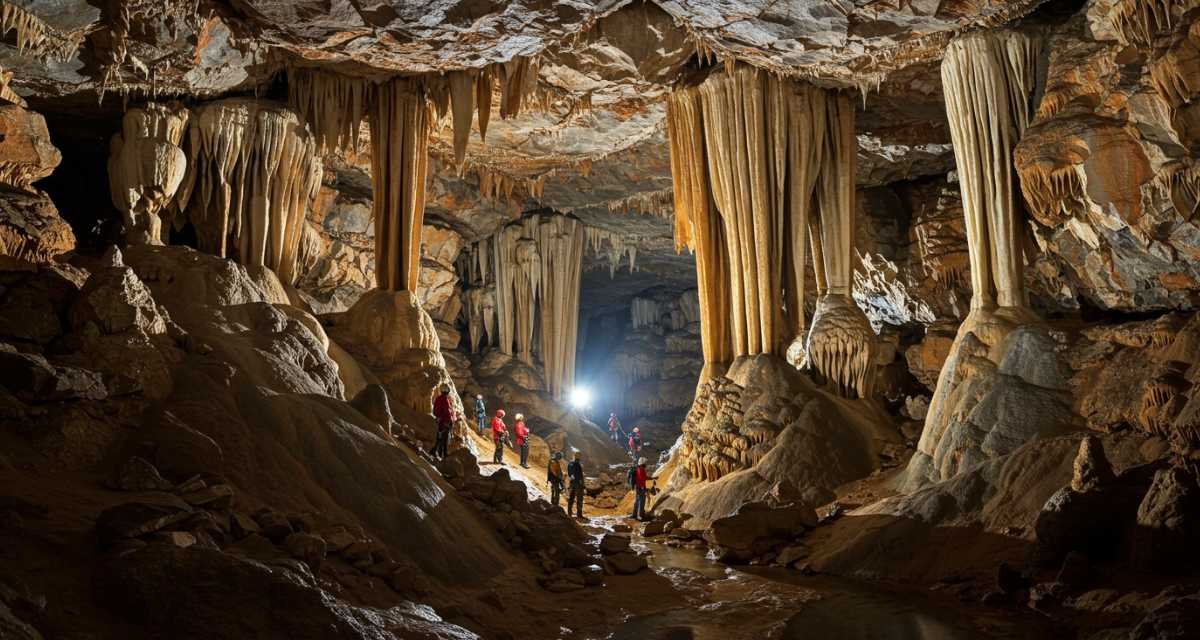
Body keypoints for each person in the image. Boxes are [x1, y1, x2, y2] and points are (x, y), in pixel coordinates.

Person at [430, 385, 454, 460]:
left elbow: (434, 411)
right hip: (445, 421)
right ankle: (444, 454)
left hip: (440, 421)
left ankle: (437, 452)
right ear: (447, 391)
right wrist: (449, 421)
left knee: (440, 438)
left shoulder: (438, 398)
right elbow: (447, 411)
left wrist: (438, 417)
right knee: (445, 439)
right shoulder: (444, 399)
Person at [566, 451, 585, 519]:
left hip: (572, 483)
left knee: (571, 498)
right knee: (579, 499)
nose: (580, 457)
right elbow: (580, 476)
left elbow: (569, 474)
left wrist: (572, 480)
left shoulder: (570, 463)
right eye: (579, 456)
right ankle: (579, 515)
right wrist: (582, 484)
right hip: (578, 484)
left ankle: (569, 513)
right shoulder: (577, 464)